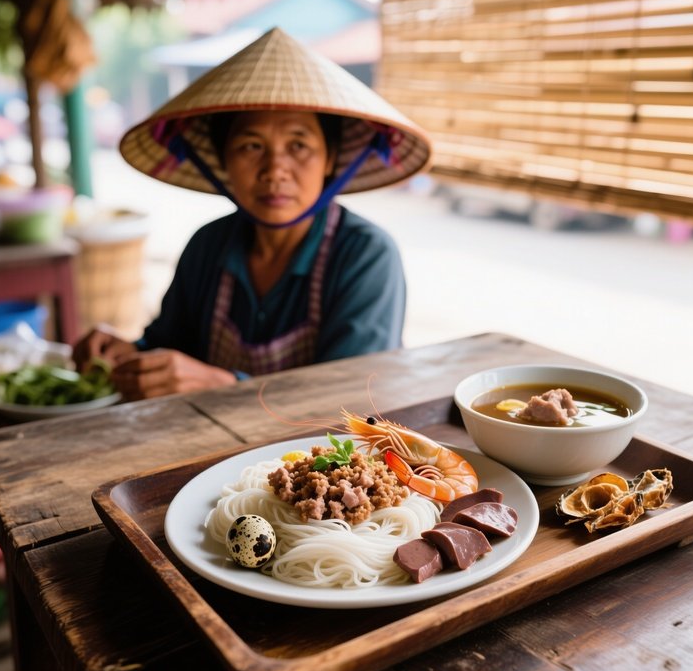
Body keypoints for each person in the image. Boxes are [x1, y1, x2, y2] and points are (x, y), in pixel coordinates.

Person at [72, 28, 431, 400]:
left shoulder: (365, 254)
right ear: (223, 161)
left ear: (330, 160)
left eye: (298, 145)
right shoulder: (208, 246)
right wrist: (128, 355)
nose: (275, 169)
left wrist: (226, 386)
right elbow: (169, 346)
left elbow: (351, 398)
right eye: (251, 145)